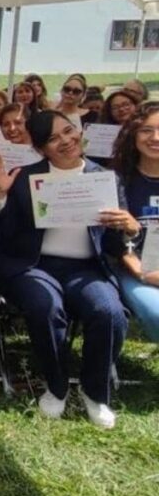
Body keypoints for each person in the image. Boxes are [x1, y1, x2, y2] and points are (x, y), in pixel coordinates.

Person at [0, 110, 133, 429]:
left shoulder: (106, 178)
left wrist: (128, 228)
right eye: (54, 138)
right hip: (34, 265)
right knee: (45, 307)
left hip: (86, 268)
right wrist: (2, 196)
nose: (66, 141)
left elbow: (112, 245)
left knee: (108, 312)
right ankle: (55, 385)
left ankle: (93, 390)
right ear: (41, 148)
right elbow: (4, 236)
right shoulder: (25, 177)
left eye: (69, 131)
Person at [112, 104, 159, 343]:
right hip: (135, 267)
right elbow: (109, 241)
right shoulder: (116, 180)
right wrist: (142, 270)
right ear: (133, 135)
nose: (155, 138)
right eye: (146, 130)